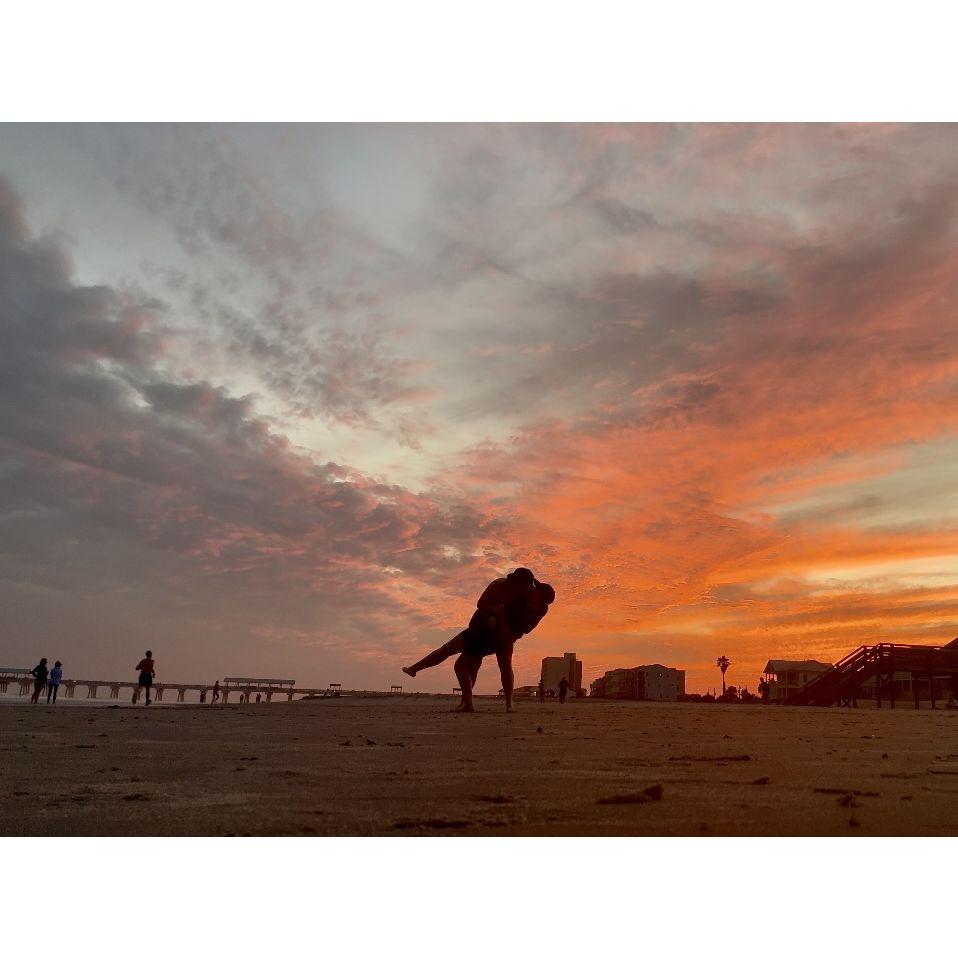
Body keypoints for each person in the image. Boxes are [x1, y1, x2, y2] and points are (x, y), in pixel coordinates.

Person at [402, 569, 539, 712]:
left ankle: (506, 703)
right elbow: (481, 604)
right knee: (458, 657)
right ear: (514, 582)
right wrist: (494, 613)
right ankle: (466, 701)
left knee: (497, 664)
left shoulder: (529, 597)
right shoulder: (498, 585)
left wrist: (506, 625)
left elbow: (528, 621)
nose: (525, 590)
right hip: (481, 629)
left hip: (502, 636)